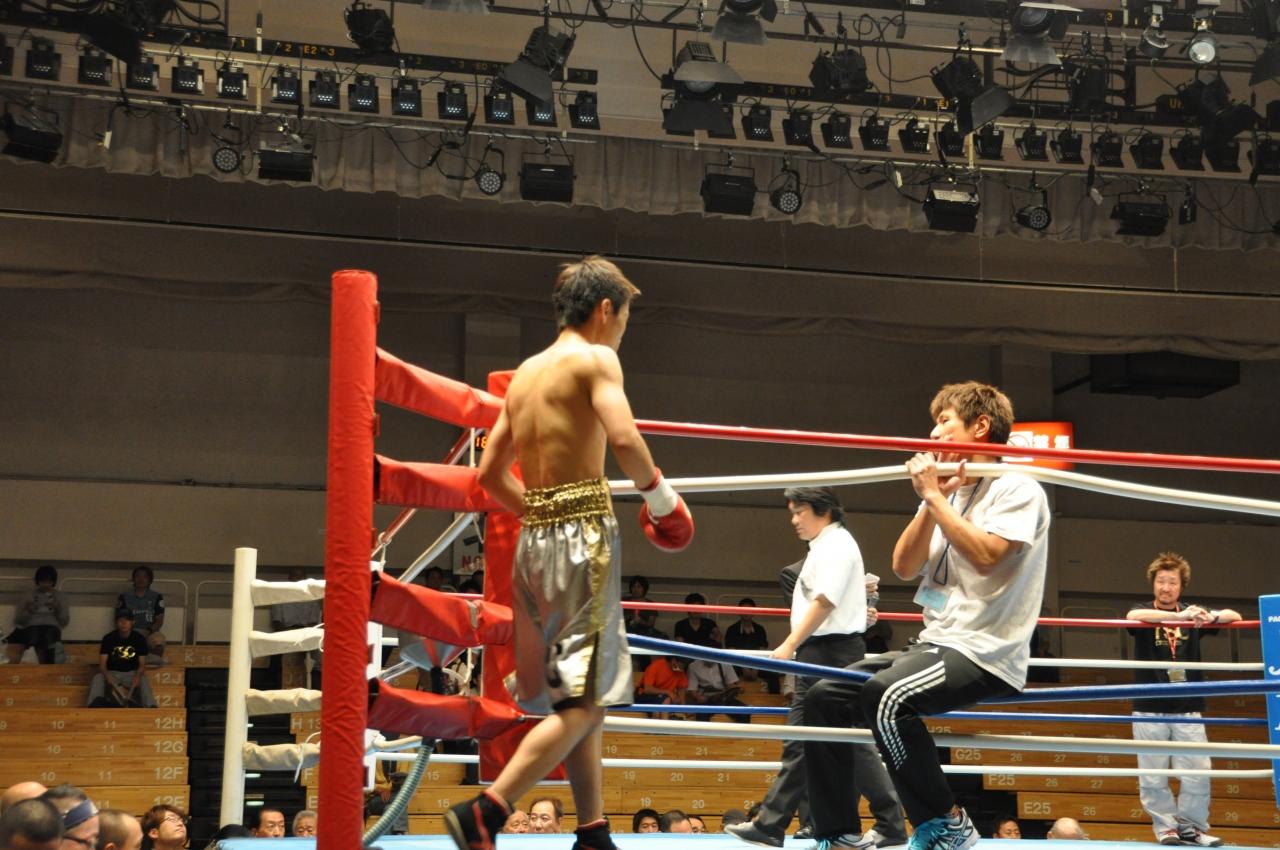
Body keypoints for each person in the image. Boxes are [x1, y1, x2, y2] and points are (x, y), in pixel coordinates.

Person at [445, 256, 694, 850]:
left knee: (580, 695)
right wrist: (662, 501)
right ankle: (488, 809)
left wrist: (539, 512)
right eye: (625, 318)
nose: (623, 331)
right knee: (583, 702)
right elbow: (625, 438)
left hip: (533, 544)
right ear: (605, 309)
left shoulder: (527, 374)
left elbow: (489, 474)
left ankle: (592, 830)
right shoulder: (595, 359)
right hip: (583, 539)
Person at [803, 382, 1051, 850]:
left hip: (984, 652)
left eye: (944, 421)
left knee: (886, 696)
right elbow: (904, 565)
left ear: (980, 426)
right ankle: (838, 834)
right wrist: (932, 501)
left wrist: (934, 498)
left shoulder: (1018, 488)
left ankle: (945, 821)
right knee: (823, 697)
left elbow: (988, 557)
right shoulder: (948, 494)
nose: (933, 433)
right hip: (936, 642)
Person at [728, 488, 905, 850]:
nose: (793, 520)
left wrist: (788, 645)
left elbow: (825, 602)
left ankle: (891, 822)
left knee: (849, 741)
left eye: (800, 512)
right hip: (818, 652)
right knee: (801, 738)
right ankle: (770, 824)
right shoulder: (822, 547)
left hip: (834, 653)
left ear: (823, 511)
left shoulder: (838, 545)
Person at [1127, 552, 1240, 848]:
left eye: (1172, 582)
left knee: (1198, 773)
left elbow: (1235, 615)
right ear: (1153, 584)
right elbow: (1132, 617)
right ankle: (1166, 828)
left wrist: (1211, 616)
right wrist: (1178, 618)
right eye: (1161, 581)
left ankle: (1192, 828)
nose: (1166, 587)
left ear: (1181, 586)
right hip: (1149, 708)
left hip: (1188, 707)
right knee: (1153, 775)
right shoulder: (1144, 610)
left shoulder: (1193, 612)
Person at [86, 610, 155, 708]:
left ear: (133, 622)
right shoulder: (108, 638)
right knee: (98, 678)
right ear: (116, 623)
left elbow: (142, 665)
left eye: (127, 620)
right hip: (112, 673)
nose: (123, 623)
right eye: (120, 620)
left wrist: (137, 676)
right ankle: (94, 705)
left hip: (131, 674)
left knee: (143, 679)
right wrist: (108, 676)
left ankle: (151, 706)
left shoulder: (139, 639)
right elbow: (102, 665)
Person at [5, 565, 69, 665]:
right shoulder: (29, 595)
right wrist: (29, 611)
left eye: (49, 582)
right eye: (42, 581)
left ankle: (49, 665)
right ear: (38, 581)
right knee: (34, 636)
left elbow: (64, 621)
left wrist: (57, 609)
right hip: (32, 627)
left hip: (52, 627)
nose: (45, 585)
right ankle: (35, 663)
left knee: (49, 636)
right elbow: (19, 620)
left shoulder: (59, 596)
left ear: (53, 582)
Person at [724, 599, 781, 695]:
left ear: (754, 612)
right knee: (727, 669)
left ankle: (775, 699)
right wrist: (743, 667)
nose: (746, 613)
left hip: (757, 663)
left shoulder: (760, 629)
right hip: (737, 663)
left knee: (773, 672)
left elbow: (762, 650)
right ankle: (731, 697)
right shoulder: (732, 629)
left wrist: (756, 667)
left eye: (749, 610)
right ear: (738, 611)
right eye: (743, 610)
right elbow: (731, 651)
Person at [115, 567, 165, 665]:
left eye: (145, 577)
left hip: (150, 631)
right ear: (134, 579)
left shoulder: (157, 597)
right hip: (129, 631)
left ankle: (151, 666)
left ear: (150, 580)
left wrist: (148, 631)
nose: (141, 579)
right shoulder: (124, 596)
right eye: (138, 576)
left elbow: (159, 620)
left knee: (158, 642)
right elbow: (119, 619)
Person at [684, 651, 751, 723]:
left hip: (724, 697)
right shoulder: (693, 666)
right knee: (701, 715)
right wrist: (698, 697)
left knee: (744, 712)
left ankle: (741, 730)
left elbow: (730, 684)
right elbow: (692, 690)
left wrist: (738, 688)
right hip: (707, 699)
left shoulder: (725, 663)